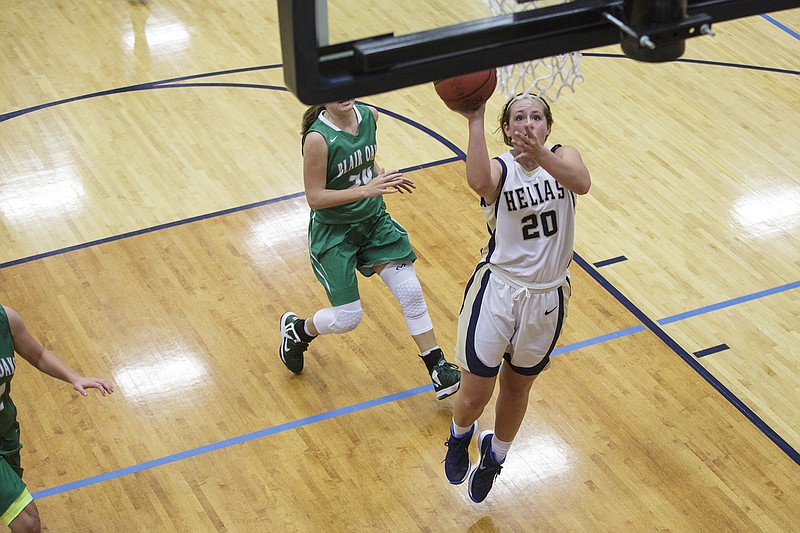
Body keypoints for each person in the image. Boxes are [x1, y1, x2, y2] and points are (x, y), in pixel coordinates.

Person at [443, 93, 591, 502]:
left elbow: (582, 183)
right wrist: (475, 119)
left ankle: (496, 456)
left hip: (546, 299)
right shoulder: (501, 170)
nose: (528, 123)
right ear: (507, 130)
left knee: (517, 387)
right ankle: (459, 437)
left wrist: (541, 154)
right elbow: (477, 181)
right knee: (474, 394)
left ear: (548, 127)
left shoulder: (563, 157)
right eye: (519, 118)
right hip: (498, 291)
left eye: (537, 117)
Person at [279, 99, 461, 400]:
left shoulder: (369, 115)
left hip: (373, 222)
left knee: (411, 291)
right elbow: (314, 197)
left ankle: (437, 367)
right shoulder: (317, 139)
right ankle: (298, 331)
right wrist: (366, 189)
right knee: (348, 318)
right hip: (335, 233)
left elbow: (365, 161)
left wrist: (382, 175)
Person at [0, 305, 114, 532]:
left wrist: (74, 377)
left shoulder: (7, 319)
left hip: (5, 433)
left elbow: (40, 355)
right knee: (28, 521)